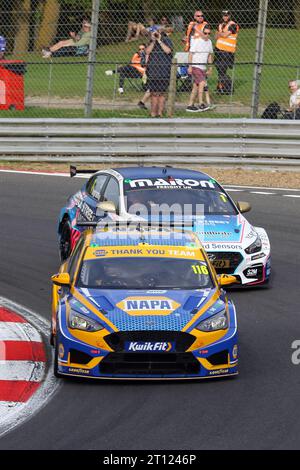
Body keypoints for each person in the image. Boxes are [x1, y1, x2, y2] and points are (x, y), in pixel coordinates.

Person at [146, 30, 173, 117]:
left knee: (162, 93)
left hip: (164, 70)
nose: (157, 34)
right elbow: (147, 52)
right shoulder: (152, 41)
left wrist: (160, 41)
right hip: (153, 71)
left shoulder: (166, 40)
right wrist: (154, 41)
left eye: (158, 32)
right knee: (153, 93)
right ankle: (153, 112)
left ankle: (160, 113)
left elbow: (168, 51)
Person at [186, 25, 213, 112]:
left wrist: (210, 68)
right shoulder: (197, 41)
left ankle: (190, 105)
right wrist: (190, 66)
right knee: (202, 83)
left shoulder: (209, 42)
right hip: (195, 66)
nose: (207, 35)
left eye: (209, 33)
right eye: (205, 33)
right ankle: (201, 103)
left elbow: (209, 55)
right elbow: (190, 54)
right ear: (202, 33)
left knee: (196, 86)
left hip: (203, 67)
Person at [215, 10, 239, 94]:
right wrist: (221, 33)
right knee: (219, 69)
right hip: (218, 50)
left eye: (226, 15)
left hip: (227, 51)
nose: (225, 17)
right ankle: (220, 87)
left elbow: (224, 35)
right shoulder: (221, 25)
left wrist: (220, 33)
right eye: (224, 15)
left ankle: (228, 88)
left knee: (222, 70)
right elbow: (216, 36)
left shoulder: (233, 25)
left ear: (229, 15)